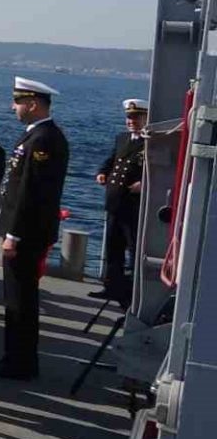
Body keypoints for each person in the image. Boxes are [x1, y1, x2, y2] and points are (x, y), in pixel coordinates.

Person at [0, 77, 70, 381]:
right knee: (18, 298)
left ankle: (18, 362)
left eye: (18, 102)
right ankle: (18, 358)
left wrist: (13, 235)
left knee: (19, 300)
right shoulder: (37, 135)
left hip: (26, 234)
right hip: (25, 231)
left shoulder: (43, 139)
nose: (13, 107)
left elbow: (30, 192)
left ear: (32, 104)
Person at [92, 98, 147, 305]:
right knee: (113, 246)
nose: (131, 121)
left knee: (133, 247)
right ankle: (112, 286)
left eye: (136, 117)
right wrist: (102, 172)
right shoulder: (122, 138)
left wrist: (144, 184)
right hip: (115, 200)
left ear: (146, 118)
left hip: (133, 204)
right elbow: (112, 159)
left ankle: (132, 292)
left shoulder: (151, 142)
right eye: (129, 117)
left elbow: (159, 170)